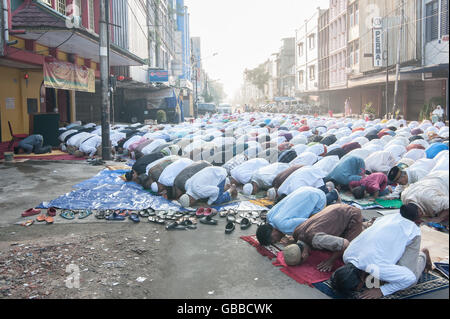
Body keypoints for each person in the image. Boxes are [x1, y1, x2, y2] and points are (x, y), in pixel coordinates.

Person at [330, 204, 432, 299]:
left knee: (408, 283)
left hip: (410, 232)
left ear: (362, 281)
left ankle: (423, 256)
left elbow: (409, 278)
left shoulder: (378, 267)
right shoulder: (347, 256)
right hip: (390, 220)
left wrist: (382, 290)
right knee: (384, 274)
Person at [282, 203, 363, 272]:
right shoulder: (296, 233)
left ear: (303, 255)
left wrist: (331, 261)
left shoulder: (317, 240)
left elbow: (345, 244)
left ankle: (367, 226)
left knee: (348, 254)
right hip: (334, 208)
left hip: (352, 214)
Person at [256, 187, 327, 246]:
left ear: (272, 232)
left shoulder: (284, 227)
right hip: (305, 189)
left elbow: (309, 222)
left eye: (274, 241)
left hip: (318, 197)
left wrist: (295, 240)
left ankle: (331, 197)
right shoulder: (269, 216)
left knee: (314, 229)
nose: (278, 241)